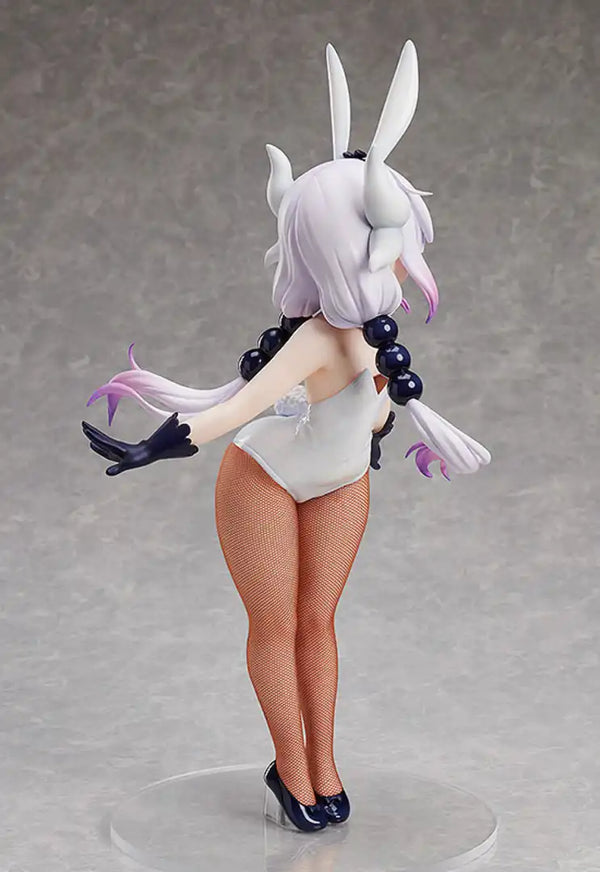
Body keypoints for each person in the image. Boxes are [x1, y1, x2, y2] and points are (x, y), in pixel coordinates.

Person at [82, 40, 490, 832]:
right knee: (275, 625)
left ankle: (322, 765)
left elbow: (375, 416)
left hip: (339, 481)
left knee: (318, 623)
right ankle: (293, 771)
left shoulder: (373, 339)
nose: (402, 262)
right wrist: (148, 448)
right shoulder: (315, 339)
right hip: (264, 478)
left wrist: (377, 418)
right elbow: (235, 411)